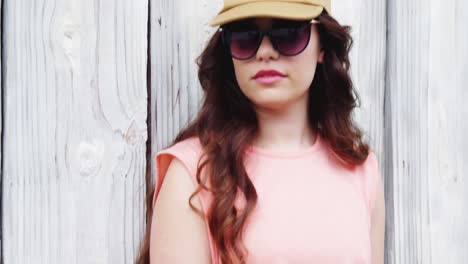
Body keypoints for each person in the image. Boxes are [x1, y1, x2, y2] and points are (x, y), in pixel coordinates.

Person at [137, 0, 386, 263]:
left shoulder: (361, 169)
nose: (265, 52)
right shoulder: (192, 174)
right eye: (245, 36)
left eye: (288, 34)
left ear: (322, 45)